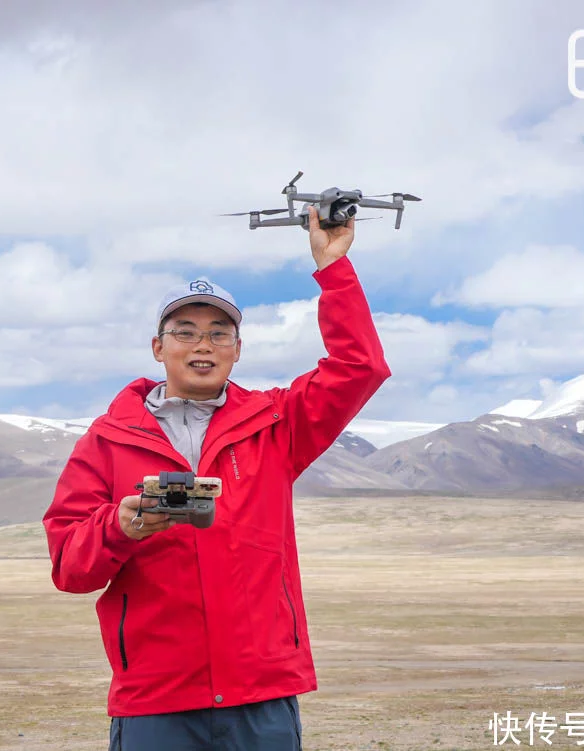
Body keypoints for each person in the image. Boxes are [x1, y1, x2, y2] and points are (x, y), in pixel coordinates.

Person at [42, 205, 391, 750]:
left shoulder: (278, 424)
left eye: (218, 333)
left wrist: (332, 267)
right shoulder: (106, 441)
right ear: (158, 348)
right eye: (185, 331)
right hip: (157, 699)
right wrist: (120, 527)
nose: (202, 344)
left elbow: (360, 368)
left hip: (261, 691)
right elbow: (69, 566)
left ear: (236, 350)